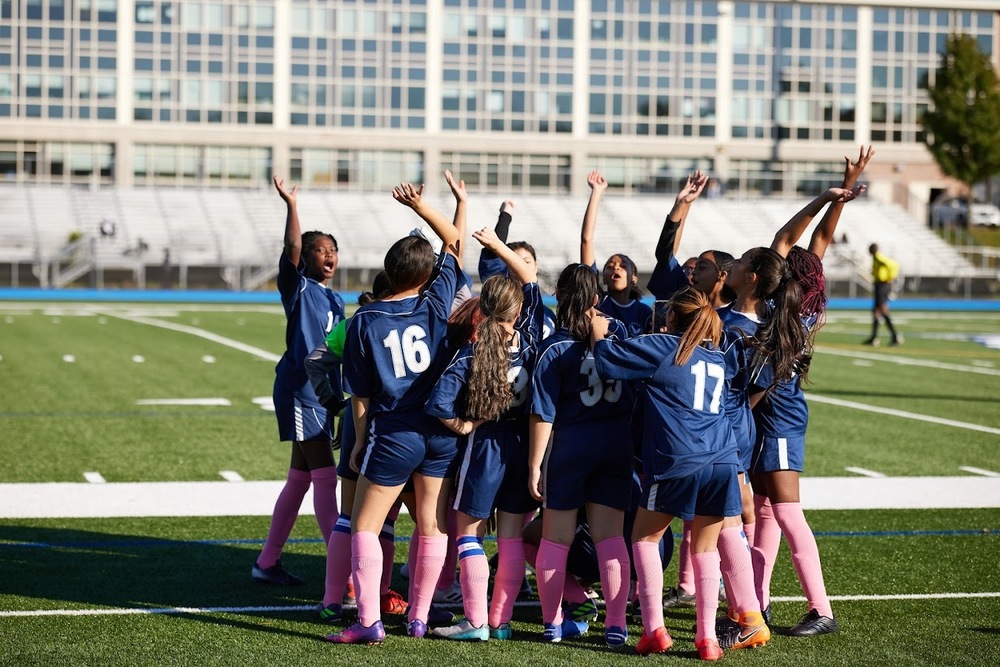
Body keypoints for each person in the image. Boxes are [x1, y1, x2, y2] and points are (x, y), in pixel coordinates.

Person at [327, 179, 464, 645]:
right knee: (431, 525)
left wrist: (361, 439)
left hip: (395, 431)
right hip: (440, 431)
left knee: (366, 524)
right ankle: (420, 618)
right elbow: (455, 241)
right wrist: (423, 206)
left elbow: (361, 396)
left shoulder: (363, 320)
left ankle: (368, 621)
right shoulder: (436, 301)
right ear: (426, 276)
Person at [749, 146, 873, 638]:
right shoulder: (798, 301)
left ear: (789, 278)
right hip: (771, 413)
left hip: (777, 414)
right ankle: (757, 603)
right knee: (762, 511)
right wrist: (838, 196)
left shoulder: (783, 310)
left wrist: (825, 196)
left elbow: (786, 237)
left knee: (785, 511)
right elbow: (815, 238)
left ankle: (821, 608)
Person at [591, 287, 747, 661]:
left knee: (644, 539)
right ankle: (707, 638)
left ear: (673, 319)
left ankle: (654, 630)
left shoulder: (666, 347)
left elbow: (609, 360)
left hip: (680, 458)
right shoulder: (716, 356)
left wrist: (598, 333)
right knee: (705, 549)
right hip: (723, 459)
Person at [424, 226, 544, 641]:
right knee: (510, 537)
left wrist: (464, 425)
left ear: (483, 308)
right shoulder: (530, 340)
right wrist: (497, 246)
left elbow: (438, 403)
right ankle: (501, 621)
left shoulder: (473, 350)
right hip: (525, 443)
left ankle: (475, 621)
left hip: (486, 445)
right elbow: (530, 281)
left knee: (469, 532)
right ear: (516, 311)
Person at [528, 263, 633, 647]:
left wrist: (535, 465)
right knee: (610, 540)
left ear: (560, 296)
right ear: (595, 298)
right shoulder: (617, 333)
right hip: (615, 443)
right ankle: (616, 624)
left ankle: (553, 622)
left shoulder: (553, 346)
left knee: (555, 540)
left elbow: (543, 412)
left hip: (572, 445)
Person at [252, 176, 345, 587]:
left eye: (332, 250)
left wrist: (338, 399)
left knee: (302, 478)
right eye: (319, 250)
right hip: (300, 392)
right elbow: (289, 250)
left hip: (320, 395)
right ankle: (344, 572)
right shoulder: (298, 286)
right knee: (325, 477)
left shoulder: (336, 299)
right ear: (305, 259)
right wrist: (291, 204)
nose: (328, 256)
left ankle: (267, 562)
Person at [580, 170, 653, 337]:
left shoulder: (644, 312)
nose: (616, 269)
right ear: (604, 277)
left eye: (623, 265)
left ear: (634, 278)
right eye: (610, 266)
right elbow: (586, 240)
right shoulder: (598, 302)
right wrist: (596, 192)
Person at [647, 171, 709, 301]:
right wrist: (682, 204)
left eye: (700, 269)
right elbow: (667, 250)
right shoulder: (674, 292)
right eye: (687, 270)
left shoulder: (714, 308)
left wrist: (684, 205)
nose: (694, 273)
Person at [864, 244, 902, 346]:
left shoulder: (878, 257)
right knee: (876, 311)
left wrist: (890, 277)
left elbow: (892, 265)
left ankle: (895, 335)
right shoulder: (876, 258)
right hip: (879, 285)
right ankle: (874, 337)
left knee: (882, 310)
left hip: (882, 285)